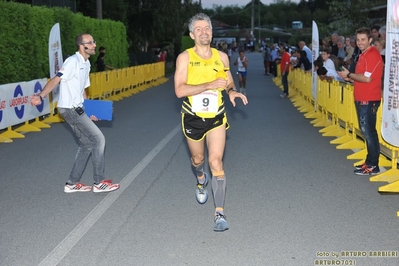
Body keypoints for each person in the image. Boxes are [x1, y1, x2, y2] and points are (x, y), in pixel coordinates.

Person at [174, 13, 248, 232]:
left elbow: (228, 81)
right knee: (198, 159)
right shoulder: (184, 58)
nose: (204, 31)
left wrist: (232, 91)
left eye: (207, 28)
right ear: (191, 34)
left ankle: (219, 213)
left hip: (216, 117)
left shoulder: (222, 57)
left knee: (216, 162)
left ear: (212, 32)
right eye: (198, 29)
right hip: (193, 117)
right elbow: (179, 90)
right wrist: (207, 85)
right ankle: (200, 178)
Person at [30, 33, 120, 193]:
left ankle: (72, 183)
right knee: (99, 139)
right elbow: (55, 79)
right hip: (70, 109)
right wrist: (40, 96)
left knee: (86, 144)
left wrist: (90, 111)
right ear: (82, 46)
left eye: (94, 41)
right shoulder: (72, 61)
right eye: (90, 42)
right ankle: (99, 182)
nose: (94, 45)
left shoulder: (87, 64)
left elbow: (82, 90)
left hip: (77, 109)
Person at [338, 27, 383, 175]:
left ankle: (373, 165)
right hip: (362, 98)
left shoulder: (373, 55)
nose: (360, 42)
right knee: (368, 132)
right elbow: (361, 77)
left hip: (369, 99)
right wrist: (349, 77)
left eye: (363, 39)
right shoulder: (363, 55)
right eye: (358, 40)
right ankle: (370, 162)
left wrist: (350, 74)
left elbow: (367, 78)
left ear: (370, 40)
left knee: (369, 132)